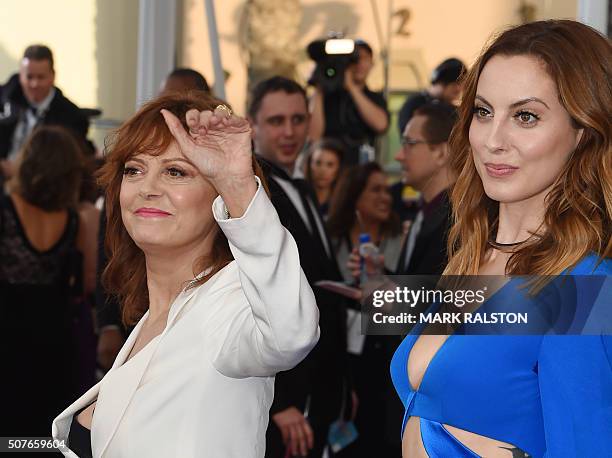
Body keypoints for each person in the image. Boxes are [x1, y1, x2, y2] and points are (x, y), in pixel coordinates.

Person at [51, 92, 319, 457]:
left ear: (218, 196)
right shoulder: (150, 319)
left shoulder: (230, 303)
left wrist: (238, 185)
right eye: (134, 169)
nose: (148, 188)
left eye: (175, 172)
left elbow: (291, 333)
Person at [391, 20, 612, 457]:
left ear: (583, 132)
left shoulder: (582, 287)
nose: (493, 140)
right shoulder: (470, 256)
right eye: (483, 111)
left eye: (525, 116)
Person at [248, 76, 352, 458]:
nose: (289, 132)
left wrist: (341, 388)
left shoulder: (301, 186)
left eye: (297, 119)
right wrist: (280, 400)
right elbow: (252, 295)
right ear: (252, 124)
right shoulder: (250, 192)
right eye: (277, 121)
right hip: (285, 397)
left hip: (320, 385)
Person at [0, 125, 96, 435]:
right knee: (45, 431)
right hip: (54, 337)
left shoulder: (6, 210)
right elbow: (87, 283)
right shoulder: (74, 220)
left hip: (7, 332)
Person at [326, 161, 402, 457]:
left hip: (387, 355)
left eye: (387, 189)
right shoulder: (333, 239)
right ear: (354, 195)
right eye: (376, 190)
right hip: (345, 360)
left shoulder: (401, 238)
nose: (386, 197)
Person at [0, 45, 90, 179]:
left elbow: (67, 165)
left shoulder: (71, 117)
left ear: (52, 76)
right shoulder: (5, 97)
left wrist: (21, 173)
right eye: (29, 77)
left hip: (40, 185)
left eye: (40, 77)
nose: (34, 84)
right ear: (20, 75)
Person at [309, 40, 389, 165]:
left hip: (360, 169)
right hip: (327, 168)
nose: (358, 64)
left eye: (363, 58)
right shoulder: (325, 97)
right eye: (353, 59)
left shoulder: (374, 99)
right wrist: (319, 86)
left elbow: (381, 125)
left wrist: (351, 86)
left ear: (372, 63)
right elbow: (313, 136)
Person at [396, 57, 465, 136]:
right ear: (441, 83)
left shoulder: (452, 108)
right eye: (455, 87)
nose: (460, 89)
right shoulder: (415, 104)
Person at [304, 137, 345, 217]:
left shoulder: (344, 203)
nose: (322, 171)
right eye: (318, 163)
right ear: (309, 165)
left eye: (330, 165)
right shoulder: (299, 199)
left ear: (339, 168)